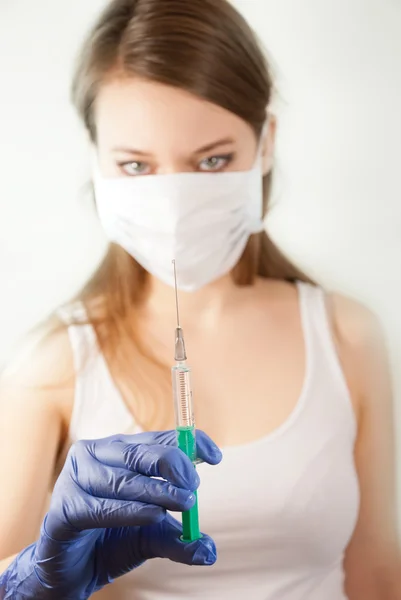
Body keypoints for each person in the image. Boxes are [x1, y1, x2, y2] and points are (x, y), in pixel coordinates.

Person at [0, 0, 399, 598]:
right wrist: (32, 582)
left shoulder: (346, 336)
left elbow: (378, 574)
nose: (176, 204)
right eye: (137, 165)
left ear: (265, 143)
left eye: (213, 160)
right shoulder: (53, 365)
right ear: (96, 160)